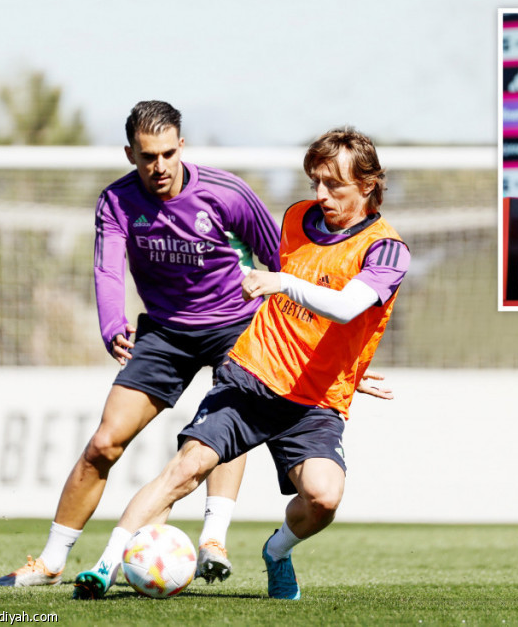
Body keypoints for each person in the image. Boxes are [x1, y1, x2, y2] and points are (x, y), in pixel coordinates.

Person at [70, 125, 410, 600]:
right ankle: (105, 565)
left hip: (315, 399)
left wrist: (339, 359)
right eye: (315, 182)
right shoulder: (298, 218)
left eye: (334, 185)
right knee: (185, 469)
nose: (320, 195)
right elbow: (299, 306)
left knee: (324, 498)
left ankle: (277, 550)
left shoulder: (387, 249)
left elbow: (346, 307)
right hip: (252, 374)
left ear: (368, 185)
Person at [0, 101, 282, 590]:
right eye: (148, 156)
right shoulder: (117, 200)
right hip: (164, 333)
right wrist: (112, 324)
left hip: (235, 325)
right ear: (130, 153)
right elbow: (108, 267)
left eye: (168, 153)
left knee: (222, 429)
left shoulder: (228, 193)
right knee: (104, 443)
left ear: (182, 146)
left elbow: (281, 259)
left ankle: (213, 540)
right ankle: (51, 562)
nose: (159, 166)